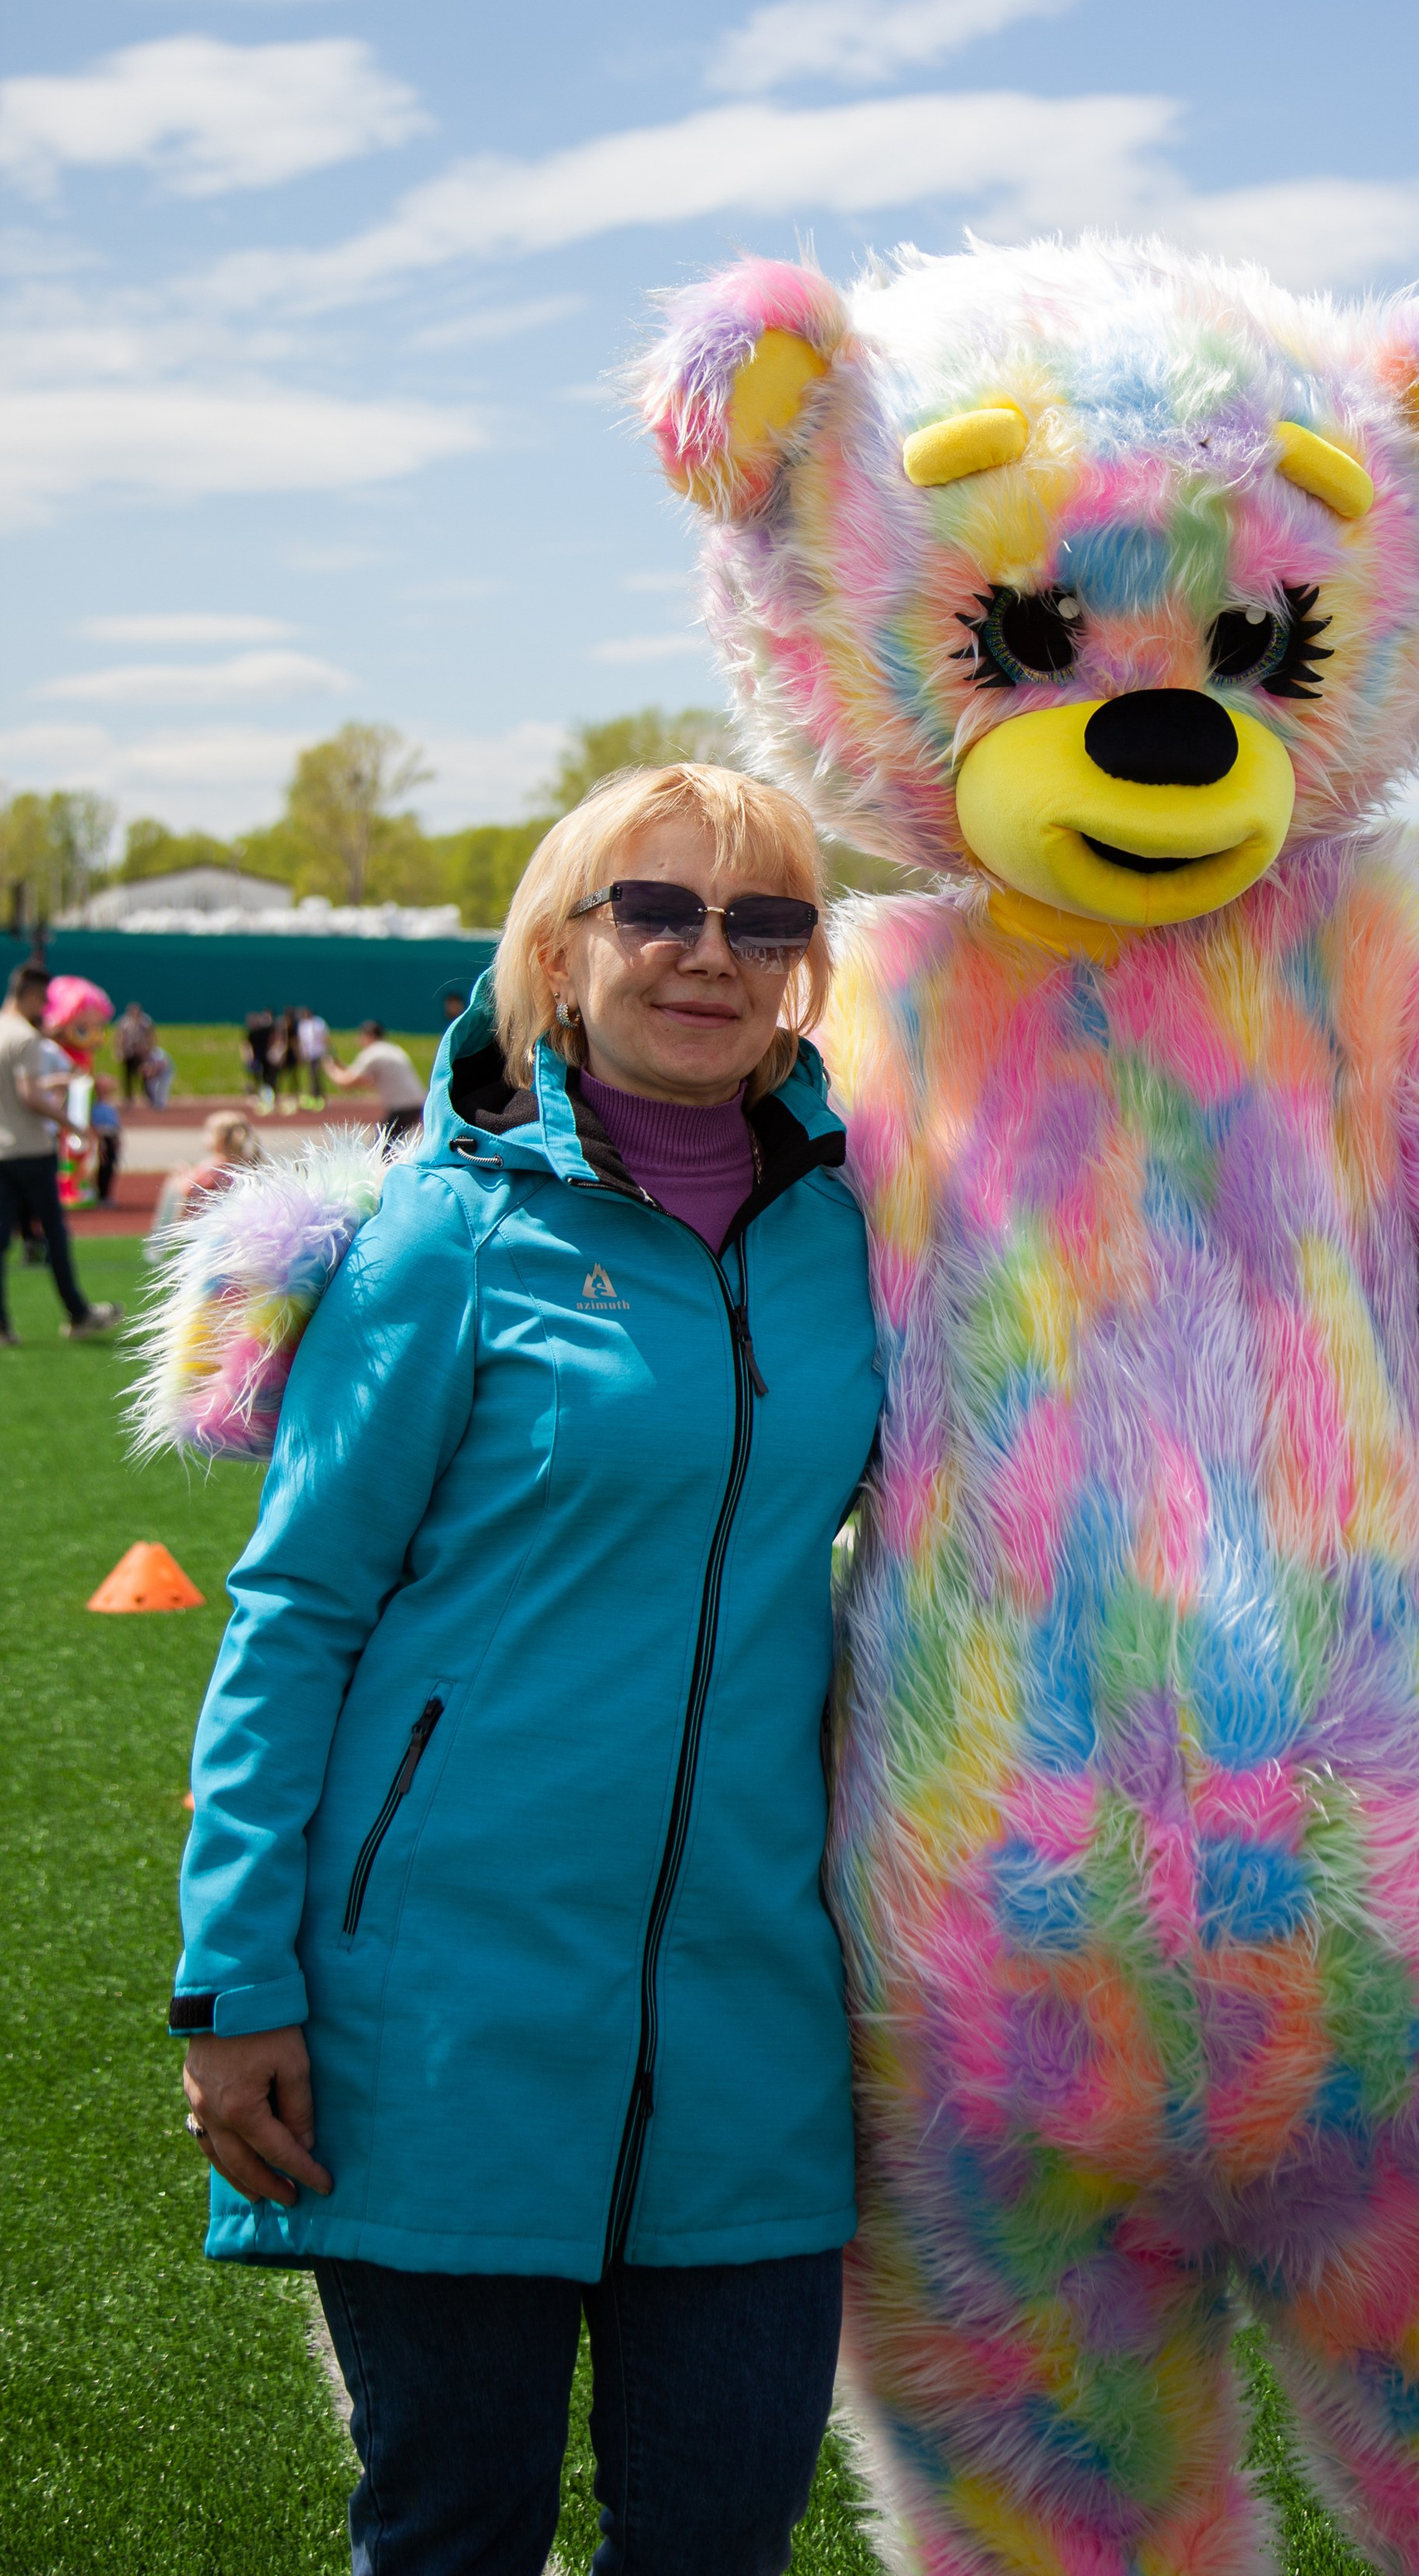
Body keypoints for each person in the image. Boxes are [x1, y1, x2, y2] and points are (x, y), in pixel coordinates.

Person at [169, 763, 881, 2576]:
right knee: (451, 2532)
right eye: (654, 910)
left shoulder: (857, 1231)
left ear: (805, 968)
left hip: (749, 2018)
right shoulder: (444, 1231)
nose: (707, 955)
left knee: (722, 2533)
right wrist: (231, 1977)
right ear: (559, 951)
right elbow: (298, 1604)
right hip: (444, 2009)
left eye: (764, 920)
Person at [0, 962, 123, 1346]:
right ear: (33, 996)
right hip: (31, 1150)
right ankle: (78, 1312)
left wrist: (50, 1083)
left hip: (3, 1149)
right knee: (54, 1231)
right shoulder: (25, 1037)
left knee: (3, 1238)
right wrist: (73, 1125)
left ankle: (3, 1326)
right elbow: (29, 1095)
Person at [153, 1109, 264, 1233]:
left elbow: (187, 1189)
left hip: (210, 1230)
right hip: (239, 1228)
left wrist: (181, 1174)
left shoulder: (212, 1167)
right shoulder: (247, 1165)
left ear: (219, 1139)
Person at [325, 1019, 426, 1148]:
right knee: (386, 1147)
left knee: (379, 1150)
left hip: (403, 1108)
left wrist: (329, 1067)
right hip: (414, 1105)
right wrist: (341, 1067)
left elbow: (346, 1083)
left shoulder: (372, 1053)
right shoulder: (390, 1049)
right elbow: (366, 1080)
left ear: (369, 1036)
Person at [115, 1001, 156, 1102]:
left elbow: (151, 1036)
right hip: (129, 1052)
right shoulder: (124, 1023)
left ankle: (147, 1095)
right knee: (128, 1075)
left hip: (141, 1052)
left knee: (145, 1074)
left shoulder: (145, 1022)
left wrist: (150, 1049)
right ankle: (128, 1097)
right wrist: (119, 1051)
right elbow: (120, 1037)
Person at [293, 1006, 331, 1103]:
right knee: (311, 1074)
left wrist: (327, 1051)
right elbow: (302, 1041)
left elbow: (325, 1037)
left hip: (319, 1052)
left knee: (317, 1074)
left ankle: (319, 1094)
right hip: (309, 1054)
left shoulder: (319, 1023)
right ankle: (315, 1094)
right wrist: (301, 1053)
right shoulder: (303, 1025)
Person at [243, 1010, 277, 1112]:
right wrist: (248, 1056)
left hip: (264, 1057)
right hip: (257, 1057)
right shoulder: (252, 1032)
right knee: (256, 1078)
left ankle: (268, 1097)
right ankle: (258, 1096)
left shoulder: (266, 1031)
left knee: (267, 1078)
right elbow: (247, 1045)